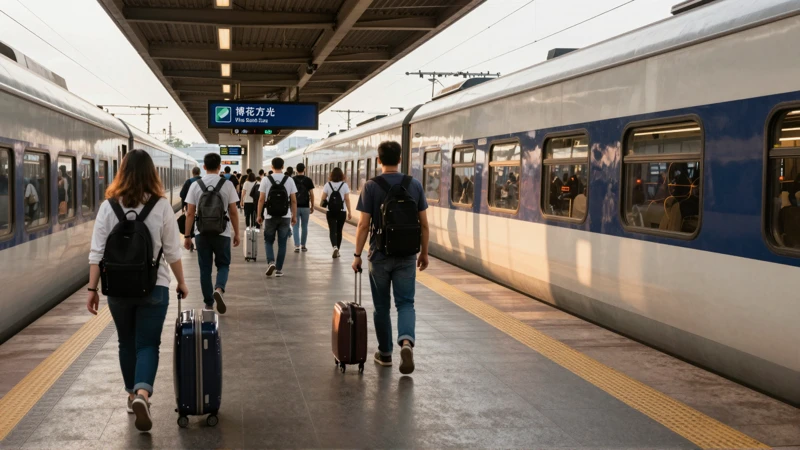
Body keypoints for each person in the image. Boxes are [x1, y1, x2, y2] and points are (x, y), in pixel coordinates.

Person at [86, 149, 189, 432]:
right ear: (152, 173)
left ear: (122, 172)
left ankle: (132, 395)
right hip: (154, 288)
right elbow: (172, 252)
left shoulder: (108, 207)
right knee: (148, 344)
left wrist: (92, 289)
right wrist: (181, 282)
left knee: (126, 342)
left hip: (117, 290)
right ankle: (144, 393)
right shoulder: (162, 206)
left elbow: (96, 253)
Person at [352, 141, 429, 375]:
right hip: (407, 256)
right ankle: (406, 342)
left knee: (381, 307)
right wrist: (424, 252)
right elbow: (424, 224)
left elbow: (363, 225)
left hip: (379, 255)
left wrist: (357, 255)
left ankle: (385, 354)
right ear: (400, 159)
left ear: (379, 160)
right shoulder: (414, 184)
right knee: (406, 303)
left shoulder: (371, 186)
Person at [184, 153, 240, 313]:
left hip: (201, 233)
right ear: (219, 166)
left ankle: (208, 303)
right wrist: (237, 233)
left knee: (205, 268)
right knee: (223, 265)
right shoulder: (227, 184)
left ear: (204, 167)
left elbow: (190, 213)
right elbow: (234, 212)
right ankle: (219, 289)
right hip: (222, 232)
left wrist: (188, 236)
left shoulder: (196, 185)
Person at [257, 157, 297, 277]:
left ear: (271, 167)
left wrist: (259, 215)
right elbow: (294, 201)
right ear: (283, 166)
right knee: (282, 243)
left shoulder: (265, 180)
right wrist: (293, 216)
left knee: (268, 241)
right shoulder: (289, 180)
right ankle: (279, 269)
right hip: (285, 216)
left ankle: (271, 262)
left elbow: (261, 199)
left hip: (269, 216)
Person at [320, 167, 351, 258]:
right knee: (339, 231)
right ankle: (338, 250)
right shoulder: (344, 185)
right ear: (342, 175)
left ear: (331, 175)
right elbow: (347, 199)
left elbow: (323, 198)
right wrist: (350, 212)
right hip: (342, 211)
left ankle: (334, 247)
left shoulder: (327, 185)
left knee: (332, 230)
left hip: (331, 211)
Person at [292, 163, 315, 252]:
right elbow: (312, 194)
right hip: (305, 206)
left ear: (296, 170)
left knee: (295, 226)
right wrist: (312, 206)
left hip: (295, 206)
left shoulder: (292, 180)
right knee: (304, 226)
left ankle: (297, 246)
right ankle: (303, 245)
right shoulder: (308, 180)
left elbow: (291, 194)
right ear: (304, 169)